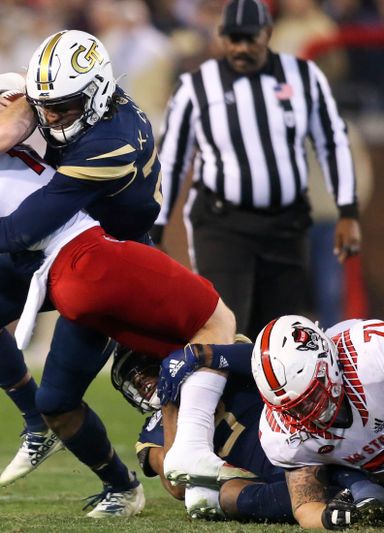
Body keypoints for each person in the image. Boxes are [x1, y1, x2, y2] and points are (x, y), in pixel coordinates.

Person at [0, 53, 237, 517]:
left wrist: (4, 87)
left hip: (84, 245)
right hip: (59, 249)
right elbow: (9, 133)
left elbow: (20, 211)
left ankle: (181, 426)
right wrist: (10, 87)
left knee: (58, 388)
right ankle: (73, 441)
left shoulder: (107, 133)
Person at [150, 0, 362, 339]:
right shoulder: (197, 86)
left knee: (286, 336)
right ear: (222, 37)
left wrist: (347, 210)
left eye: (250, 38)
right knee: (228, 326)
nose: (241, 47)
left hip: (286, 225)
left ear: (268, 34)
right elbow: (173, 159)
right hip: (223, 225)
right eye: (233, 38)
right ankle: (227, 393)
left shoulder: (303, 76)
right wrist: (157, 225)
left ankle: (274, 395)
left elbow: (332, 141)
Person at [117, 343, 384, 526]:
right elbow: (176, 485)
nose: (143, 381)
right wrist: (170, 404)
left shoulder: (214, 369)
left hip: (302, 444)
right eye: (134, 380)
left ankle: (361, 490)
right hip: (263, 476)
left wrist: (207, 355)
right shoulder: (153, 429)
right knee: (205, 498)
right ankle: (349, 501)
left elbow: (263, 356)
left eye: (147, 369)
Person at [251, 315, 384, 529]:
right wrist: (330, 518)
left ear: (328, 362)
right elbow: (305, 505)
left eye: (312, 395)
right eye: (293, 408)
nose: (308, 413)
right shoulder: (280, 433)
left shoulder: (373, 351)